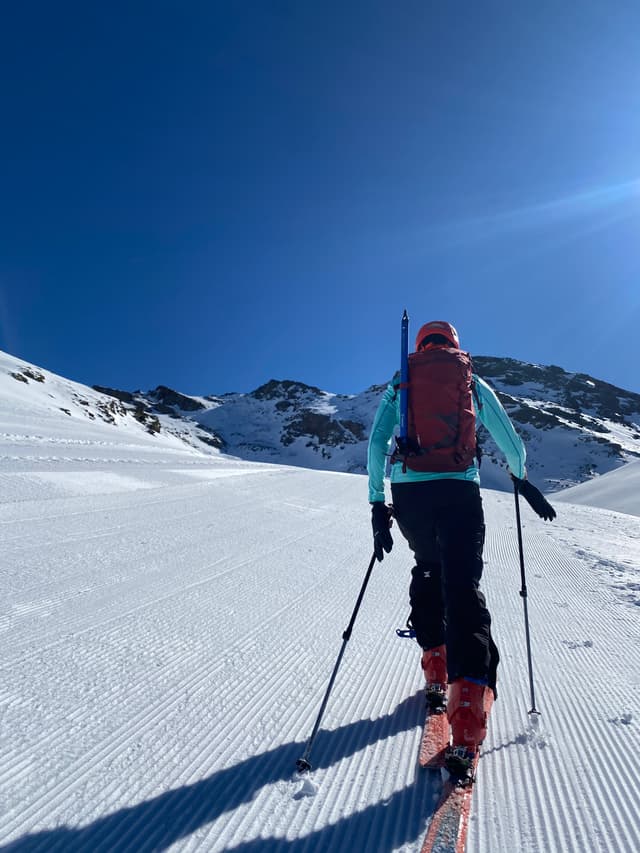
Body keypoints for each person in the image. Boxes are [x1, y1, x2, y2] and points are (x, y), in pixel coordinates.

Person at [367, 319, 555, 774]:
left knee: (427, 567)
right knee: (463, 588)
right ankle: (468, 717)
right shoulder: (468, 377)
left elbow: (376, 443)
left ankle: (436, 668)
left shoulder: (402, 381)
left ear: (420, 345)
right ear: (454, 344)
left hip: (410, 495)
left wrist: (376, 503)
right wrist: (521, 477)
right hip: (459, 491)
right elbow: (508, 437)